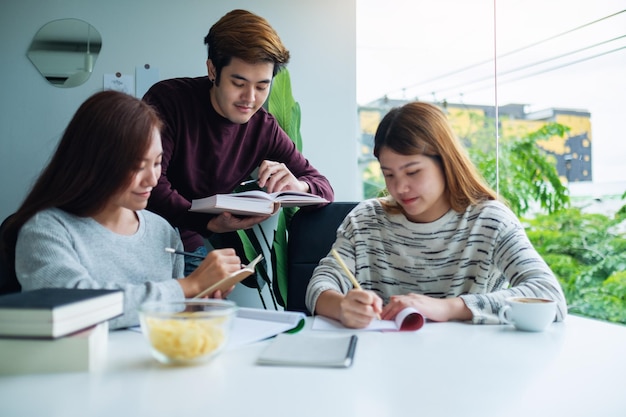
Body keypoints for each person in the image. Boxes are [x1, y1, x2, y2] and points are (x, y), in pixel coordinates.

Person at [305, 101, 567, 328]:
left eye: (413, 172)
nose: (399, 188)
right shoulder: (365, 220)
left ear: (446, 162)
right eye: (389, 174)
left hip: (473, 367)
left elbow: (549, 295)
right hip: (385, 365)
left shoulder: (490, 221)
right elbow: (321, 284)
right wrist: (342, 307)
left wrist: (447, 308)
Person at [1, 91, 243, 329]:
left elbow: (162, 315)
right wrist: (186, 287)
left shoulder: (163, 232)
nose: (152, 179)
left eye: (157, 163)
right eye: (138, 166)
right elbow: (72, 308)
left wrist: (195, 304)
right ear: (94, 164)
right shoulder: (45, 231)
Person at [142, 9, 334, 274]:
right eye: (238, 82)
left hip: (186, 238)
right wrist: (209, 224)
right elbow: (151, 186)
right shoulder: (168, 101)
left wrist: (297, 185)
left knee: (212, 305)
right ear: (212, 70)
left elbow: (324, 189)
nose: (250, 98)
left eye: (261, 86)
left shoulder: (263, 128)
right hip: (140, 230)